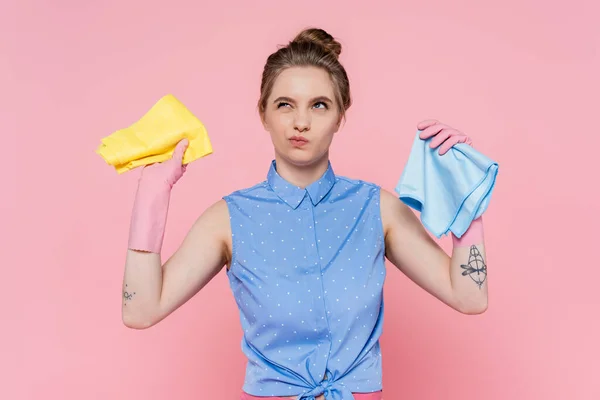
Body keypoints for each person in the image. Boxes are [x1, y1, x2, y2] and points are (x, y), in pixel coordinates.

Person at [120, 27, 489, 400]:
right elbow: (141, 311)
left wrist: (466, 196)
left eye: (319, 105)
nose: (301, 122)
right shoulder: (228, 219)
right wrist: (152, 195)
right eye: (284, 104)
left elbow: (469, 297)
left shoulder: (377, 209)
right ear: (263, 112)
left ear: (340, 115)